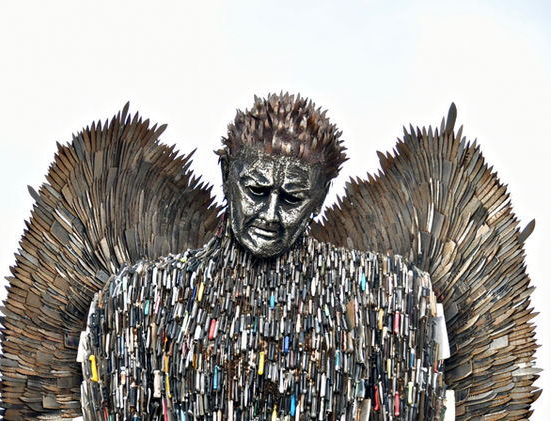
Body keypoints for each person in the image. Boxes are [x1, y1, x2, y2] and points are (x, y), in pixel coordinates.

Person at [78, 94, 450, 421]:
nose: (270, 216)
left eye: (292, 198)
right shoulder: (136, 298)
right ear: (227, 175)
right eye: (256, 190)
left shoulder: (389, 295)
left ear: (320, 197)